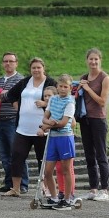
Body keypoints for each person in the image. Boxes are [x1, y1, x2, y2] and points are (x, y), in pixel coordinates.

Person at [1, 57, 56, 197]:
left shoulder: (50, 82)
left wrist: (45, 104)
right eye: (33, 68)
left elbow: (59, 100)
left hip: (42, 128)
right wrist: (17, 106)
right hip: (22, 128)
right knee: (17, 156)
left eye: (39, 67)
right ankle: (16, 188)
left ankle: (45, 187)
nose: (36, 70)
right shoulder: (25, 82)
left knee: (42, 159)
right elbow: (9, 95)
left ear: (44, 68)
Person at [0, 52, 24, 193]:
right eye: (5, 61)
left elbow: (17, 96)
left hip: (13, 121)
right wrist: (5, 94)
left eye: (11, 61)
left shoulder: (20, 80)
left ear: (16, 63)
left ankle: (22, 185)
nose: (8, 63)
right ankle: (9, 183)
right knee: (4, 155)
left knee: (17, 153)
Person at [78, 48, 109, 202]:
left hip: (98, 119)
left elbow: (102, 101)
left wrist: (88, 88)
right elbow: (76, 96)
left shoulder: (104, 78)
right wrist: (78, 87)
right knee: (89, 155)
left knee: (101, 155)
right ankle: (93, 189)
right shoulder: (84, 77)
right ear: (87, 60)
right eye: (90, 59)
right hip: (85, 119)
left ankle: (104, 189)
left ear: (100, 60)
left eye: (96, 59)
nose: (93, 62)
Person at [40, 75, 78, 210]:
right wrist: (48, 123)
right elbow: (45, 117)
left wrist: (47, 126)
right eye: (60, 86)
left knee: (66, 169)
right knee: (48, 171)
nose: (62, 89)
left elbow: (63, 123)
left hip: (65, 138)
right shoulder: (53, 99)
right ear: (57, 87)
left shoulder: (70, 102)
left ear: (70, 88)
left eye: (65, 87)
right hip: (53, 138)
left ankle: (67, 198)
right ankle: (54, 197)